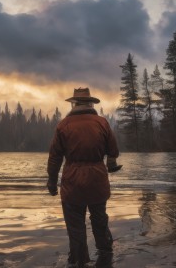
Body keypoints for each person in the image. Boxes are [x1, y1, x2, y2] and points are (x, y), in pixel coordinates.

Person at [47, 87, 122, 268]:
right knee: (99, 218)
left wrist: (51, 180)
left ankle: (79, 259)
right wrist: (111, 166)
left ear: (74, 104)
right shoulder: (102, 123)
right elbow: (113, 151)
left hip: (72, 180)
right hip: (97, 179)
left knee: (75, 224)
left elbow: (55, 156)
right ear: (90, 103)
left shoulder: (63, 125)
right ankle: (105, 253)